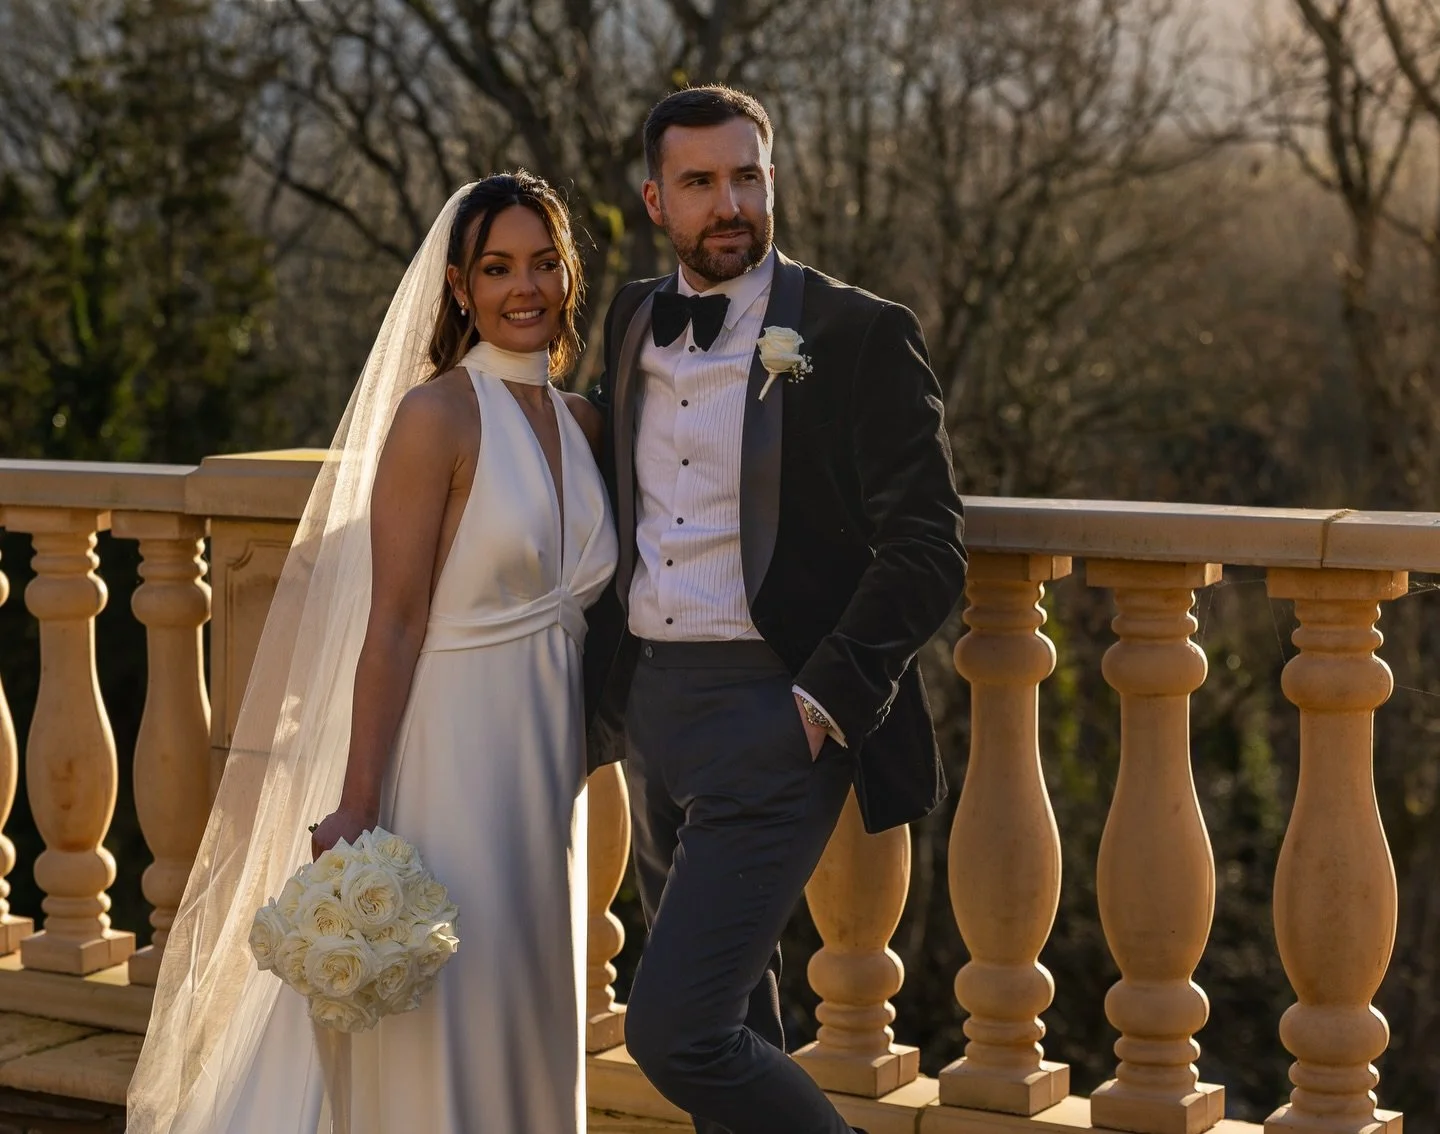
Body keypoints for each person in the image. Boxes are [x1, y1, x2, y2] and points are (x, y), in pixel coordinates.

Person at [127, 172, 617, 1133]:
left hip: (552, 773)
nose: (527, 287)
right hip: (452, 763)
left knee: (533, 1001)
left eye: (544, 261)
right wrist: (358, 801)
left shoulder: (586, 424)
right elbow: (391, 623)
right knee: (450, 1008)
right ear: (459, 287)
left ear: (570, 272)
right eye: (498, 267)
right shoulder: (437, 417)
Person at [583, 87, 968, 1134]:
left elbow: (931, 545)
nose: (730, 205)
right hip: (655, 715)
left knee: (675, 1034)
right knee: (732, 1024)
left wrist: (821, 701)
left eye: (747, 176)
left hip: (775, 721)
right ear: (657, 198)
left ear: (772, 180)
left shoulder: (857, 334)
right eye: (701, 183)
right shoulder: (629, 322)